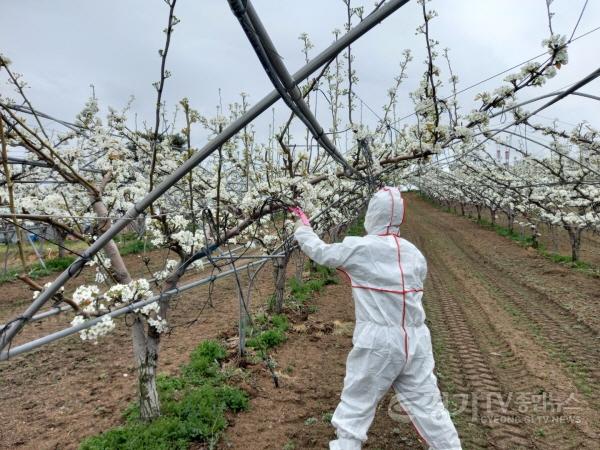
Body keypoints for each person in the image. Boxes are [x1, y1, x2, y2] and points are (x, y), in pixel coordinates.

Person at [293, 187, 462, 450]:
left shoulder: (361, 248)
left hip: (378, 343)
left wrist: (303, 227)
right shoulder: (414, 253)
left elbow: (321, 252)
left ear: (373, 214)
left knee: (355, 409)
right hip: (416, 340)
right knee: (430, 408)